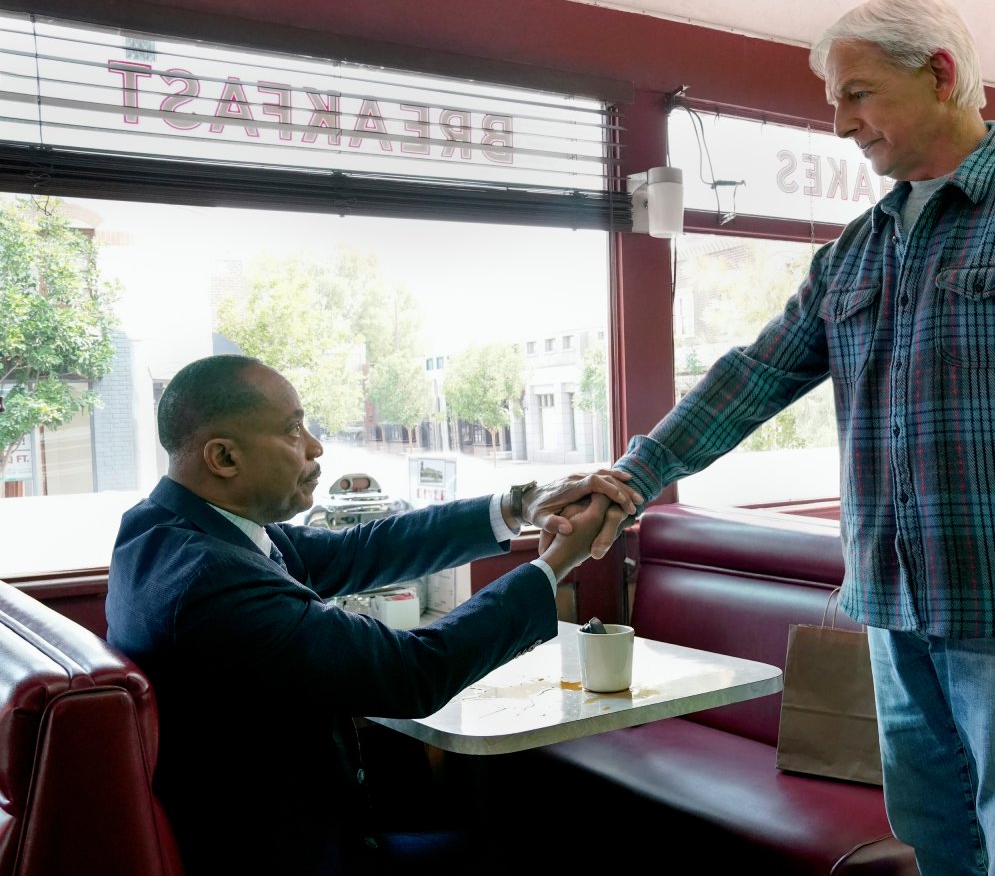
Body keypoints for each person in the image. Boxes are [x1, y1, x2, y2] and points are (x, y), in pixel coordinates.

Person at [574, 0, 995, 876]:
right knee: (937, 840)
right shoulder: (856, 250)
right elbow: (754, 375)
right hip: (893, 615)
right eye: (834, 104)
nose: (841, 125)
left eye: (857, 95)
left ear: (940, 74)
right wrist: (631, 477)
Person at [106, 353, 641, 876]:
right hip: (293, 855)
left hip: (292, 827)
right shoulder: (210, 580)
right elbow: (415, 673)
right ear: (223, 458)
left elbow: (358, 551)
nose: (316, 447)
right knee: (549, 843)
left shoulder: (167, 529)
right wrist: (554, 565)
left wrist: (522, 503)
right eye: (294, 431)